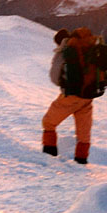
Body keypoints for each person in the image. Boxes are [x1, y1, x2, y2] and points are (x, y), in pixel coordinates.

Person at [41, 28, 93, 164]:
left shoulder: (65, 51)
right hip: (88, 94)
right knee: (84, 133)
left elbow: (54, 78)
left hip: (71, 95)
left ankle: (49, 156)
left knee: (48, 122)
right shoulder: (85, 48)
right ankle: (81, 161)